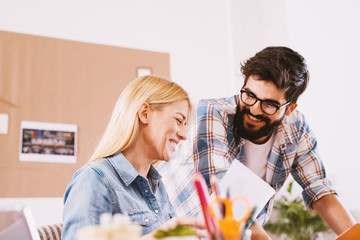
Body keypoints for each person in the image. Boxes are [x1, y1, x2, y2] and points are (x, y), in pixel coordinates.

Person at [159, 46, 356, 239]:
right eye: (250, 95)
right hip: (176, 231)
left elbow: (319, 190)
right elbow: (223, 194)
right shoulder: (212, 113)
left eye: (269, 104)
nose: (254, 109)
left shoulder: (295, 127)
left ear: (289, 108)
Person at [62, 76, 205, 240]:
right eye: (179, 120)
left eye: (185, 125)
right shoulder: (94, 179)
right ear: (145, 113)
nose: (183, 135)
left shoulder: (157, 188)